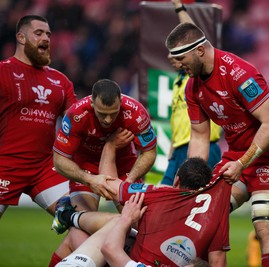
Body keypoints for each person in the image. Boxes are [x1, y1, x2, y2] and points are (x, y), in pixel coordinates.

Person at [165, 22, 269, 267]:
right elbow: (200, 136)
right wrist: (189, 174)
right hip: (236, 155)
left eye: (181, 58)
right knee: (202, 219)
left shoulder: (239, 74)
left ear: (200, 51)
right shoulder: (192, 88)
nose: (177, 64)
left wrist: (243, 162)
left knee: (264, 225)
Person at [49, 78, 157, 266]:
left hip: (124, 167)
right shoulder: (76, 114)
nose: (107, 120)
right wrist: (88, 179)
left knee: (140, 225)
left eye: (113, 114)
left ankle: (68, 216)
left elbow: (149, 152)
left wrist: (127, 183)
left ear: (121, 104)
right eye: (102, 114)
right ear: (92, 103)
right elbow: (59, 160)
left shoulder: (136, 113)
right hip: (86, 167)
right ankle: (73, 218)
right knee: (80, 231)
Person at [53, 153, 231, 267]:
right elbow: (218, 261)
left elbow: (111, 188)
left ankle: (69, 216)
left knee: (102, 226)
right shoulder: (214, 216)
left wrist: (110, 147)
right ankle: (69, 216)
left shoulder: (161, 194)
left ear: (176, 181)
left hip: (132, 261)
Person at [0, 15, 77, 218]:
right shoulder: (2, 72)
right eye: (39, 33)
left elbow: (78, 121)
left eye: (49, 34)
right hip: (5, 165)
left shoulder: (60, 81)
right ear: (21, 37)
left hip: (44, 168)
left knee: (78, 217)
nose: (46, 38)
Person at [161, 0, 222, 186]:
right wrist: (172, 147)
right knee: (165, 195)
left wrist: (179, 7)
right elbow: (177, 118)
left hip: (204, 145)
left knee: (196, 196)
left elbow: (192, 32)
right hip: (179, 148)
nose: (171, 56)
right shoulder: (179, 82)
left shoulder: (197, 76)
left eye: (178, 53)